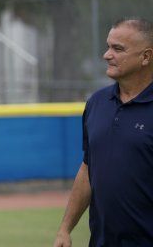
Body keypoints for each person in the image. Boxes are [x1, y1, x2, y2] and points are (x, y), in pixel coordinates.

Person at [53, 18, 153, 247]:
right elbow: (88, 168)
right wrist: (65, 229)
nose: (107, 55)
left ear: (146, 57)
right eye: (108, 46)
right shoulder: (97, 103)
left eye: (118, 49)